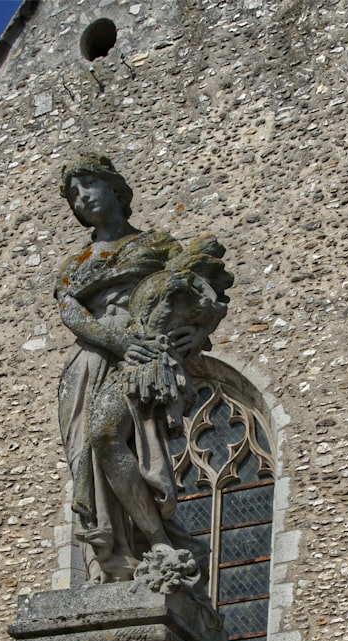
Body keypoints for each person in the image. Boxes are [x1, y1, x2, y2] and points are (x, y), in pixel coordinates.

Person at [54, 153, 232, 586]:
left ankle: (157, 540)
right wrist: (115, 340)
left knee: (104, 435)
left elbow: (204, 289)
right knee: (87, 457)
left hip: (145, 355)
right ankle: (115, 558)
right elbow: (71, 312)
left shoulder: (156, 247)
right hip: (92, 359)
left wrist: (198, 331)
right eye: (73, 195)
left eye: (88, 187)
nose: (81, 199)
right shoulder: (75, 265)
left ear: (115, 190)